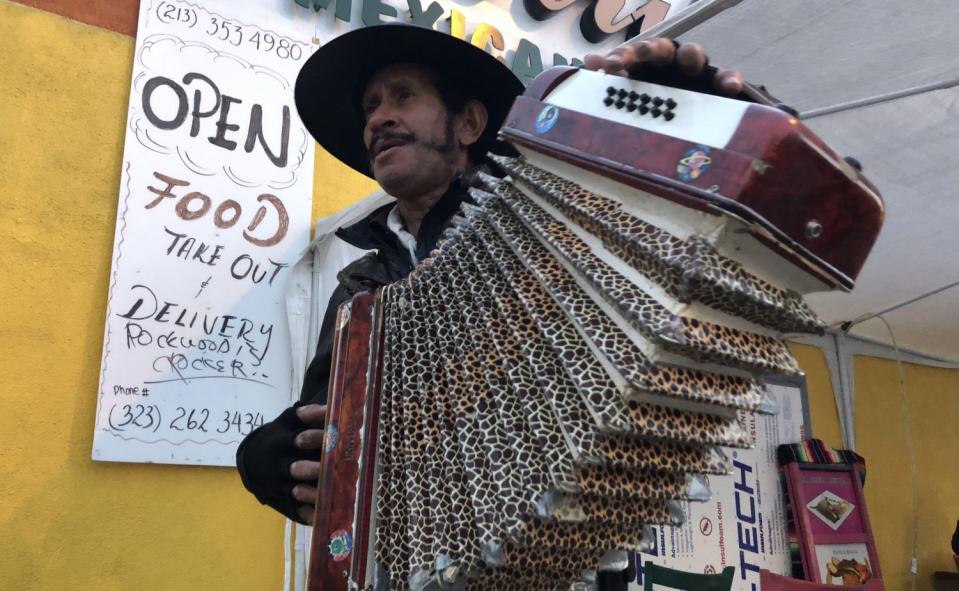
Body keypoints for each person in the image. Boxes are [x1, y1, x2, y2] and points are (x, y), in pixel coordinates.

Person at [236, 22, 748, 588]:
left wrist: (701, 114)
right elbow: (331, 435)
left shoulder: (549, 223)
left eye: (403, 96)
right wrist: (271, 461)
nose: (378, 118)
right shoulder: (360, 290)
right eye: (371, 106)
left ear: (469, 124)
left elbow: (683, 250)